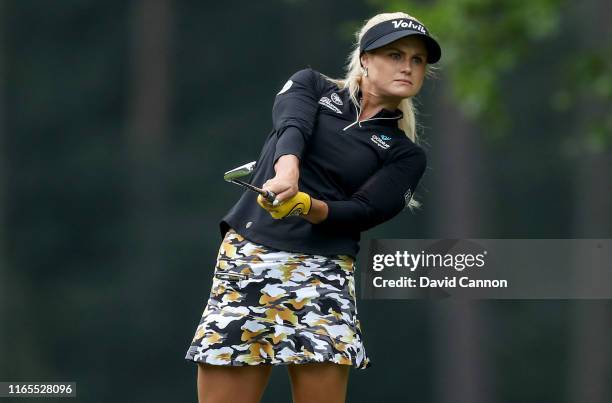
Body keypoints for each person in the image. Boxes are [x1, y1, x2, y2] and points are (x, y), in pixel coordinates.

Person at [185, 11, 441, 403]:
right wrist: (287, 172)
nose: (407, 67)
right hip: (250, 259)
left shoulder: (407, 155)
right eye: (395, 55)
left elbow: (363, 211)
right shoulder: (311, 86)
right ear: (366, 59)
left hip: (323, 276)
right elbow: (292, 126)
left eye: (417, 60)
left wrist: (306, 205)